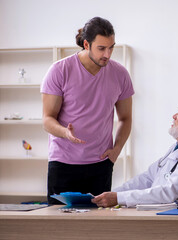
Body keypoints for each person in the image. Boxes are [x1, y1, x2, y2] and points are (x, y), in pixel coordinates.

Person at [41, 17, 134, 204]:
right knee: (59, 228)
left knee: (97, 229)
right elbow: (47, 119)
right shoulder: (60, 70)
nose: (107, 54)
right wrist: (65, 133)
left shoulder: (120, 74)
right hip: (63, 163)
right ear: (86, 44)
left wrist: (116, 150)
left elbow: (125, 118)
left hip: (101, 164)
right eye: (101, 48)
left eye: (111, 47)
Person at [92, 100, 178, 208]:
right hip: (162, 212)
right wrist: (110, 195)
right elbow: (148, 178)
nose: (174, 116)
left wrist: (119, 198)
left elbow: (170, 192)